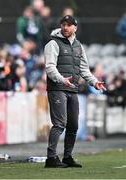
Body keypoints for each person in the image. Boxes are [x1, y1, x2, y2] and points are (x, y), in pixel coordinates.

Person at [44, 15, 106, 168]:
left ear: (75, 28)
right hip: (57, 88)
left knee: (73, 125)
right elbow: (50, 67)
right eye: (63, 24)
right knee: (59, 124)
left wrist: (94, 82)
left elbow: (84, 69)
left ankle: (67, 157)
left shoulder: (79, 46)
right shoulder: (53, 43)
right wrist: (61, 79)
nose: (65, 27)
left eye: (69, 25)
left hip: (72, 89)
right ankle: (51, 158)